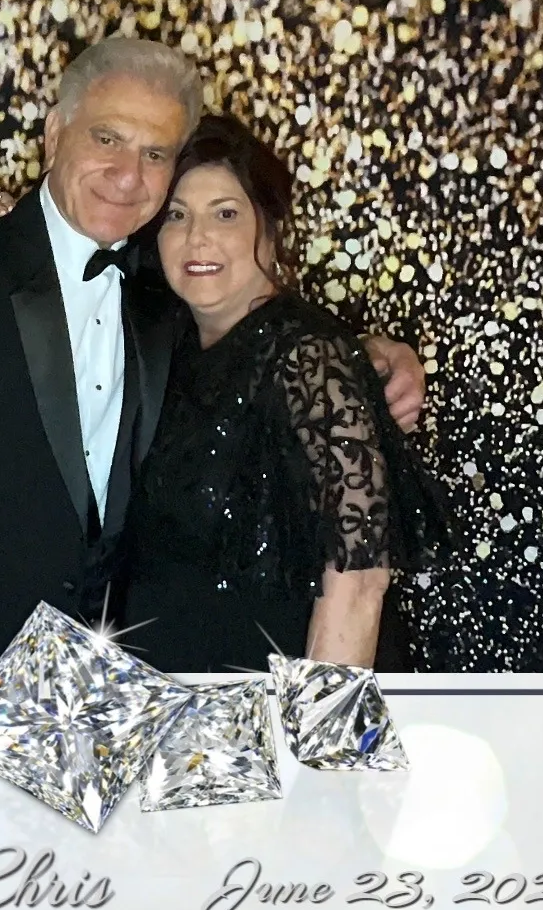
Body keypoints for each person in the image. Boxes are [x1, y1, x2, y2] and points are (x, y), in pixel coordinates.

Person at [0, 39, 427, 671]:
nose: (128, 174)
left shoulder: (165, 296)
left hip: (128, 708)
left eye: (154, 153)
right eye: (107, 139)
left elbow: (272, 332)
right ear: (55, 135)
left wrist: (365, 360)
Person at [121, 113, 450, 672]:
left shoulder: (309, 357)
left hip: (272, 717)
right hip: (183, 708)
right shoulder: (167, 340)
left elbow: (360, 572)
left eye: (225, 213)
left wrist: (317, 743)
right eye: (177, 216)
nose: (197, 238)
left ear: (269, 229)